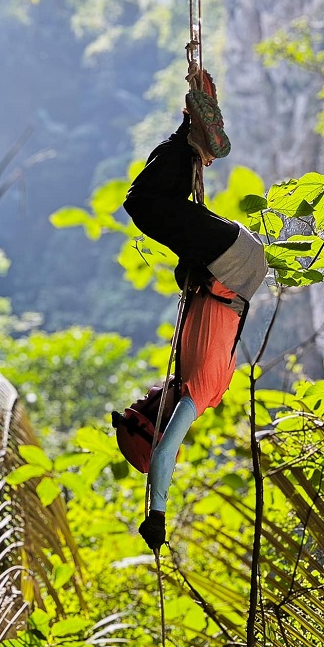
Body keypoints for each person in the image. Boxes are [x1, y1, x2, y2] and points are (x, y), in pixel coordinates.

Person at [122, 71, 267, 550]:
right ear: (159, 420)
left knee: (155, 203)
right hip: (234, 263)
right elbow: (164, 455)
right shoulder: (199, 395)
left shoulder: (189, 377)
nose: (143, 397)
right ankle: (194, 142)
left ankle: (192, 134)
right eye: (144, 410)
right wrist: (156, 512)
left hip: (229, 262)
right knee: (143, 203)